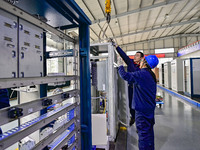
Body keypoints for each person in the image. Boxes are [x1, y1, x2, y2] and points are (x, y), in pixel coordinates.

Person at [118, 55, 159, 150]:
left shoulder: (141, 74)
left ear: (144, 63)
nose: (139, 62)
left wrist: (120, 65)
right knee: (149, 134)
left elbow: (124, 75)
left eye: (141, 60)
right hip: (149, 109)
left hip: (142, 111)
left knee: (143, 136)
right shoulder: (150, 75)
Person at [111, 39, 144, 126]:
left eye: (137, 56)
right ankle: (133, 116)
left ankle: (139, 123)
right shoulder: (130, 63)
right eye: (135, 55)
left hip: (139, 89)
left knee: (138, 106)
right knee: (130, 105)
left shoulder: (142, 68)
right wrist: (117, 46)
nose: (135, 56)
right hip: (131, 88)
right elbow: (124, 55)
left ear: (141, 58)